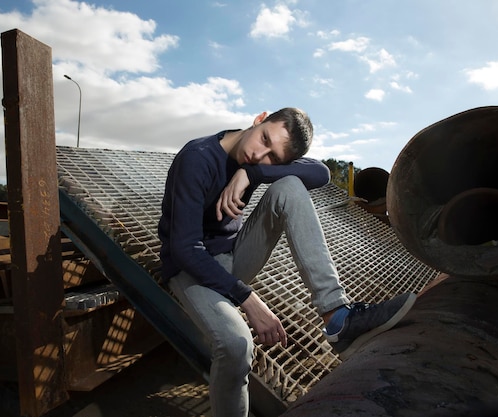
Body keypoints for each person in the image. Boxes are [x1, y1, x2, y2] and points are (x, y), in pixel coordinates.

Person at [157, 107, 416, 417]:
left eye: (273, 158)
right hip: (190, 267)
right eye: (264, 138)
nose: (258, 154)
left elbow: (319, 173)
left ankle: (337, 316)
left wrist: (251, 174)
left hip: (233, 254)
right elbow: (185, 248)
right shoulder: (197, 158)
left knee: (289, 187)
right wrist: (249, 300)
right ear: (259, 118)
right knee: (237, 346)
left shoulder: (254, 164)